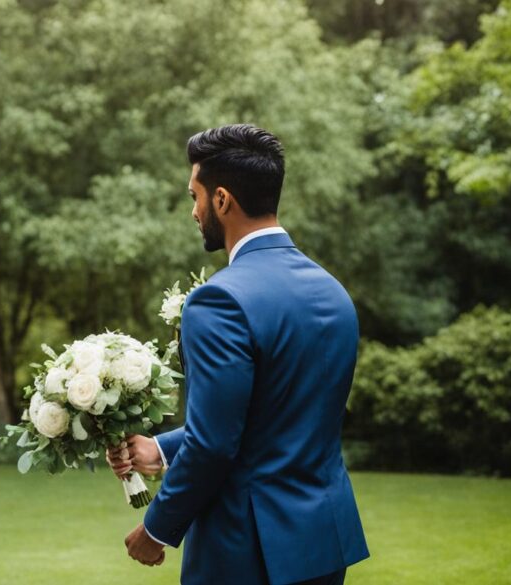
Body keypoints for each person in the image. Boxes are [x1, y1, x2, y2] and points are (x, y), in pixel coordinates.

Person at [109, 125, 369, 585]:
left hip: (247, 551)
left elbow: (214, 443)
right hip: (324, 543)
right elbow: (272, 417)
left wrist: (158, 529)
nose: (194, 211)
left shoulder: (219, 300)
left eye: (196, 196)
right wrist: (162, 450)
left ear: (223, 200)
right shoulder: (332, 292)